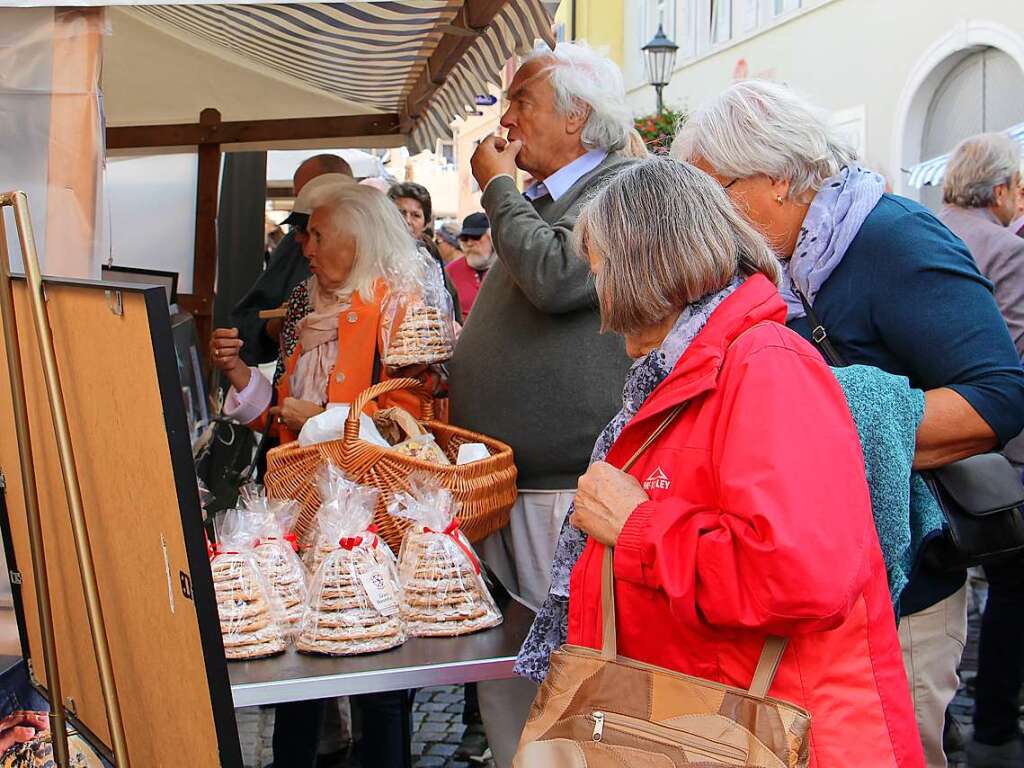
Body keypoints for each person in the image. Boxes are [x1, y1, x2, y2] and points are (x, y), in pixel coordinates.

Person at [525, 156, 924, 768]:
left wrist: (637, 528)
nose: (601, 302)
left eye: (603, 274)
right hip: (712, 719)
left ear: (647, 267)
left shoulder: (765, 366)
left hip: (779, 733)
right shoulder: (696, 362)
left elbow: (801, 577)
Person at [673, 79, 1024, 768]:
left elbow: (998, 396)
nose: (708, 216)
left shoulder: (890, 236)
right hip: (816, 582)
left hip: (904, 590)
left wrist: (830, 427)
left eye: (716, 192)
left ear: (775, 178)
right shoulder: (778, 265)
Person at [450, 42, 634, 766]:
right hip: (513, 485)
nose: (507, 117)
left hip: (564, 489)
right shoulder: (551, 197)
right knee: (511, 670)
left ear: (577, 114)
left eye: (521, 99)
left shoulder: (621, 188)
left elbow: (559, 278)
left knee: (573, 673)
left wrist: (494, 187)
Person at [211, 182, 434, 768]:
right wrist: (239, 373)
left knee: (383, 683)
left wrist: (326, 419)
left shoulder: (398, 305)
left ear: (356, 238)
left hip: (372, 518)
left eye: (316, 234)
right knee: (298, 678)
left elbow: (411, 418)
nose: (303, 247)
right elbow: (278, 415)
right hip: (302, 513)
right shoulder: (304, 310)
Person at [939, 133, 1024, 768]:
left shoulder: (928, 225)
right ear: (1000, 190)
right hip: (992, 451)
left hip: (920, 435)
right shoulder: (1005, 248)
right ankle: (994, 729)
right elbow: (1011, 362)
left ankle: (948, 719)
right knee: (1012, 586)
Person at [229, 154, 353, 366]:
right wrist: (273, 328)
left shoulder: (394, 291)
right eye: (306, 232)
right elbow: (245, 327)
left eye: (319, 236)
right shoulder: (298, 270)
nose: (309, 249)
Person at [387, 181, 462, 322]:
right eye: (401, 213)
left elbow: (447, 299)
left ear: (425, 223)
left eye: (416, 215)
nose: (407, 221)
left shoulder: (431, 256)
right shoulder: (376, 255)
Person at [446, 213, 495, 318]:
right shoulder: (450, 271)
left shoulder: (506, 270)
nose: (469, 243)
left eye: (475, 237)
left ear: (491, 238)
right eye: (464, 238)